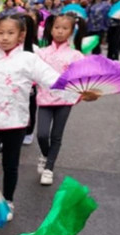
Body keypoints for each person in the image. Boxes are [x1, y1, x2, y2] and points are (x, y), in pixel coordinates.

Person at [0, 14, 97, 221]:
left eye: (10, 33)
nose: (4, 37)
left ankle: (7, 200)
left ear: (21, 35)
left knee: (11, 165)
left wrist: (81, 91)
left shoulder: (30, 59)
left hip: (16, 123)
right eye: (0, 33)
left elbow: (54, 81)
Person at [34, 13, 85, 185]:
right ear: (50, 28)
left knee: (56, 135)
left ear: (71, 31)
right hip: (45, 98)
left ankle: (49, 168)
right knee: (41, 134)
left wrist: (83, 92)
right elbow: (34, 74)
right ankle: (45, 154)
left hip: (65, 100)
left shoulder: (76, 55)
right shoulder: (41, 53)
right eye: (57, 27)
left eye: (65, 28)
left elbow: (82, 77)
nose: (60, 31)